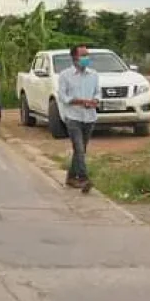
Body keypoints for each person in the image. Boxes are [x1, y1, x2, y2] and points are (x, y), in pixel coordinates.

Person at [57, 44, 100, 193]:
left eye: (87, 55)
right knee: (79, 148)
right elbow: (63, 97)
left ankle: (70, 177)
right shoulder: (65, 75)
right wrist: (80, 102)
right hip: (73, 117)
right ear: (74, 57)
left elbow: (97, 93)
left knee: (80, 150)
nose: (86, 58)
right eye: (83, 55)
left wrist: (94, 101)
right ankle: (84, 178)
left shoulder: (93, 75)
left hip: (89, 117)